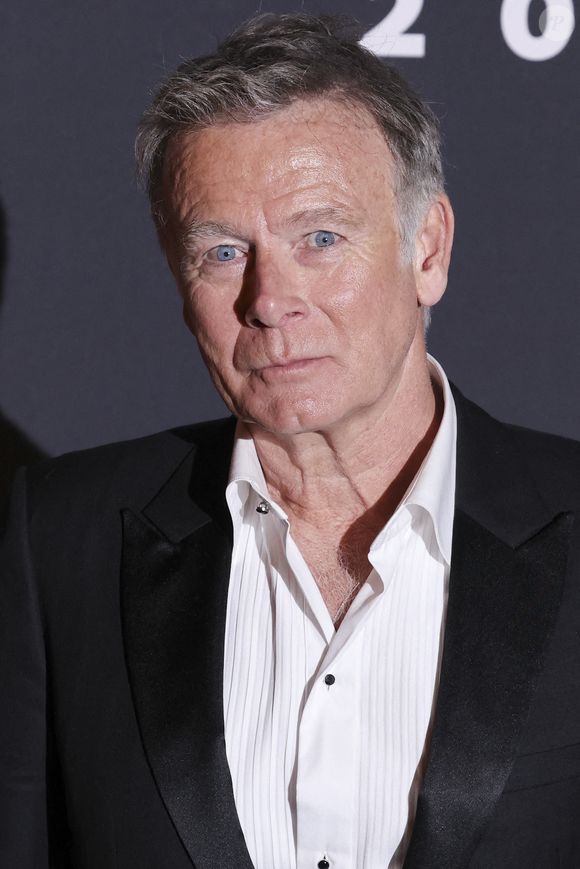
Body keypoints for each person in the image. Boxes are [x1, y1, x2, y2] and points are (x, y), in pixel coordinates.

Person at [2, 12, 580, 869]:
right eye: (225, 252)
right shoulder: (60, 541)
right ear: (177, 277)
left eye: (321, 237)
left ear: (428, 249)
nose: (270, 298)